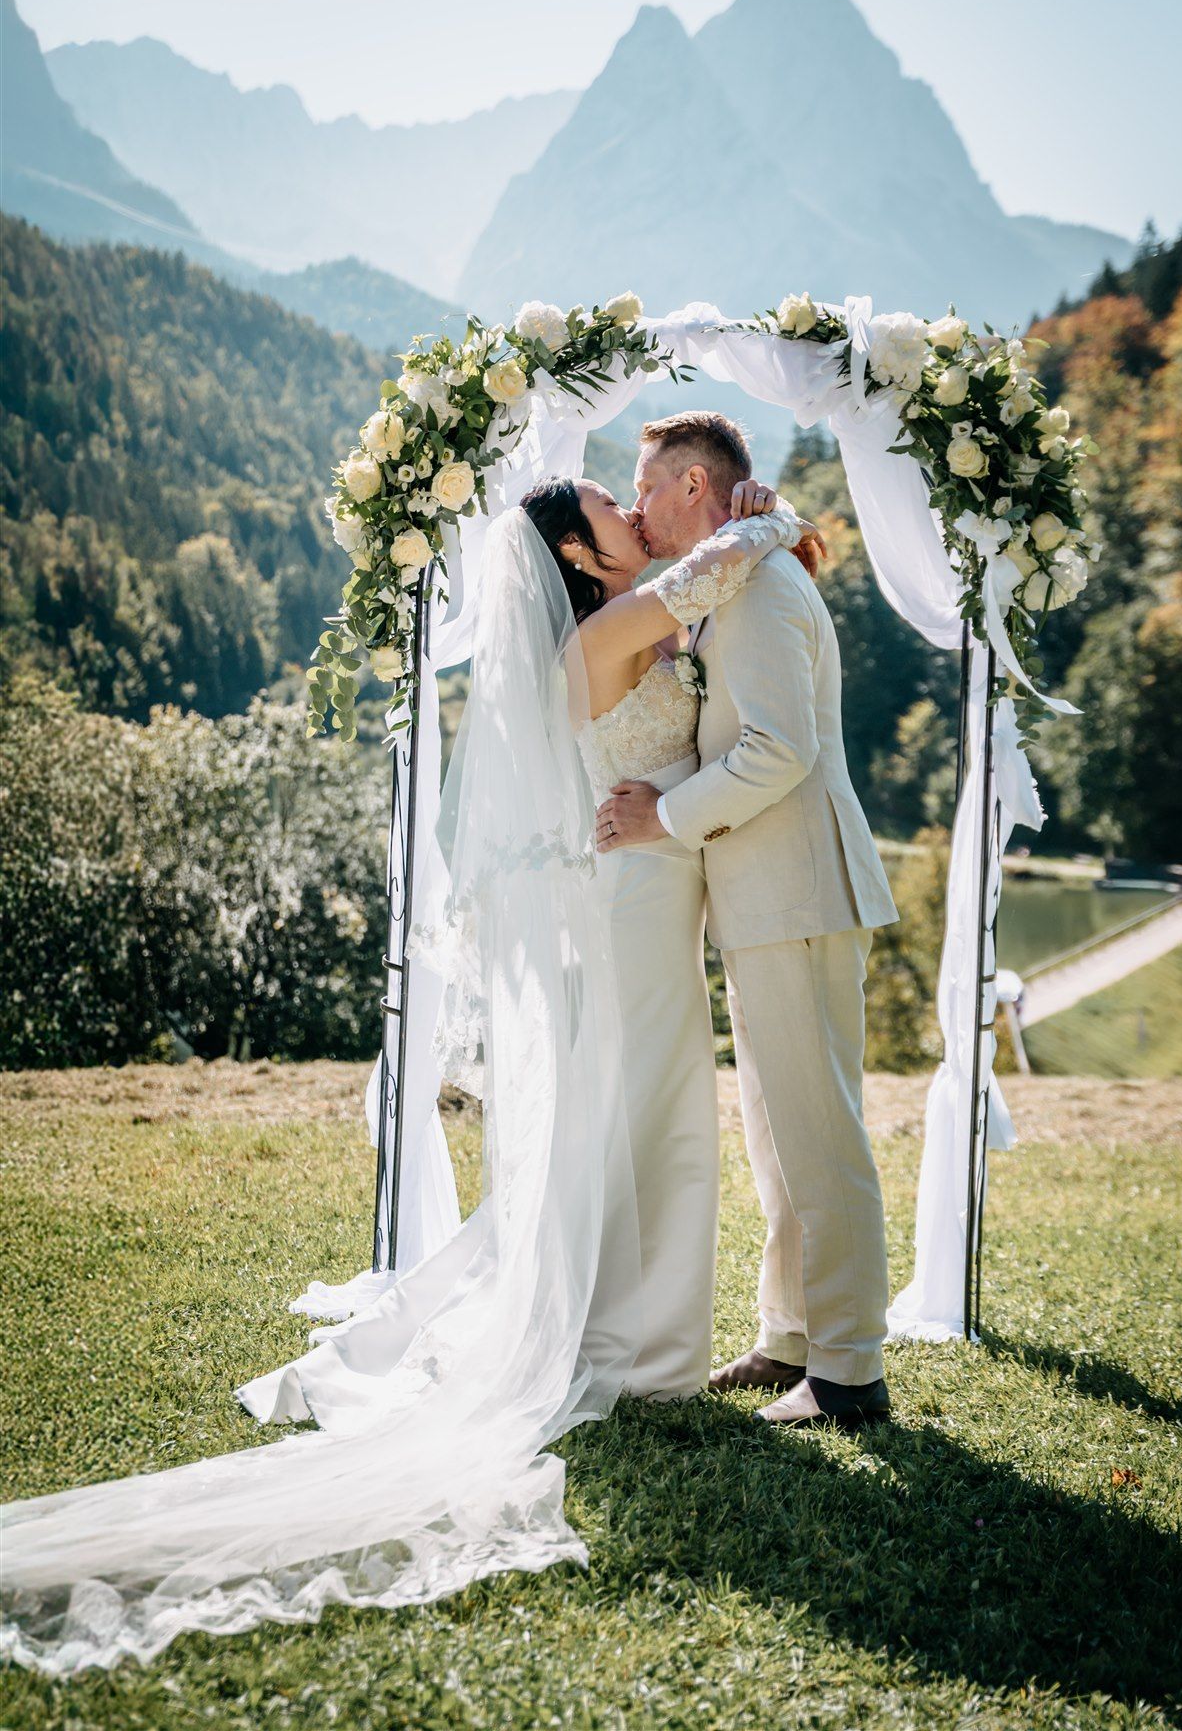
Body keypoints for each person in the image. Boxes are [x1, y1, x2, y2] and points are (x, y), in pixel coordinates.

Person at [0, 446, 813, 1676]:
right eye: (607, 502)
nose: (626, 503)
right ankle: (645, 1350)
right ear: (578, 555)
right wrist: (775, 510)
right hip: (630, 898)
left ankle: (644, 1333)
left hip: (651, 890)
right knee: (648, 1116)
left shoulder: (623, 620)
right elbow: (717, 562)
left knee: (645, 1116)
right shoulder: (594, 638)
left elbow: (702, 603)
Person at [598, 410, 899, 1431]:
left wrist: (663, 816)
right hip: (768, 893)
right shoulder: (736, 579)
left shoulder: (765, 585)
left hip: (800, 888)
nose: (634, 506)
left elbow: (779, 747)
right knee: (778, 1129)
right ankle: (791, 1337)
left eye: (643, 487)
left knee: (818, 1128)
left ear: (692, 486)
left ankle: (851, 1369)